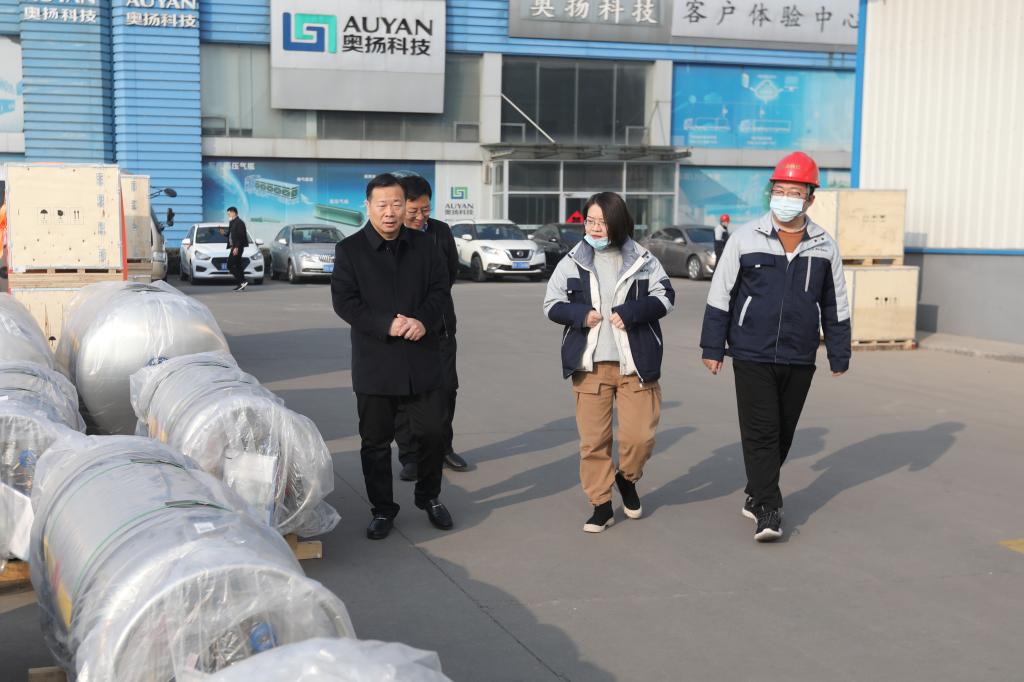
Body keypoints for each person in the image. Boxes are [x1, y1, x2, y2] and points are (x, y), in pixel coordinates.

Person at [699, 151, 851, 543]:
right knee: (762, 431)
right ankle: (769, 508)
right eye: (779, 190)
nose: (785, 198)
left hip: (800, 354)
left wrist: (839, 351)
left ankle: (756, 491)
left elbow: (835, 303)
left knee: (783, 432)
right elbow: (721, 294)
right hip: (752, 351)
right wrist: (713, 347)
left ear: (810, 199)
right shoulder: (745, 238)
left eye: (794, 192)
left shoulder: (824, 245)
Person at [331, 173, 455, 540]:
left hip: (422, 356)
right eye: (382, 205)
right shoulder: (350, 250)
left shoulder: (425, 245)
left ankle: (429, 496)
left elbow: (440, 290)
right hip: (376, 361)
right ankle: (383, 508)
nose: (390, 212)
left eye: (397, 204)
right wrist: (386, 324)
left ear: (405, 207)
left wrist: (423, 321)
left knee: (433, 433)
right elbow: (345, 302)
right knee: (375, 442)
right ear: (368, 206)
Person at [543, 192, 675, 534]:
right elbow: (551, 304)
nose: (595, 228)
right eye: (590, 221)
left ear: (618, 222)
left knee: (640, 437)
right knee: (594, 442)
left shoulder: (642, 258)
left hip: (637, 363)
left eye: (602, 222)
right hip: (590, 366)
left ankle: (627, 478)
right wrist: (580, 315)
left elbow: (665, 296)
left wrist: (632, 312)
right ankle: (600, 503)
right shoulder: (573, 260)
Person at [393, 176, 468, 482]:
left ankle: (443, 448)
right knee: (405, 394)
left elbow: (450, 273)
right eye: (414, 211)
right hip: (402, 329)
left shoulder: (440, 231)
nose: (420, 217)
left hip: (440, 327)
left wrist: (429, 310)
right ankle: (410, 456)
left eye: (425, 210)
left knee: (447, 388)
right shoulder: (391, 236)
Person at [226, 207, 249, 291]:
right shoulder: (232, 222)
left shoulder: (239, 223)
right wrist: (223, 233)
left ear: (233, 213)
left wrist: (236, 247)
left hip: (237, 247)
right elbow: (230, 234)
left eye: (229, 214)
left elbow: (241, 236)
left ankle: (242, 281)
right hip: (234, 247)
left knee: (230, 265)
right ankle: (241, 284)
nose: (228, 215)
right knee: (238, 265)